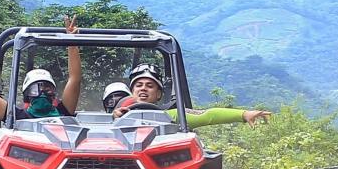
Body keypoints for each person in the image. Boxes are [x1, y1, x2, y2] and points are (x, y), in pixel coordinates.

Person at [0, 16, 83, 119]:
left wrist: (72, 43)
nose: (42, 93)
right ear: (27, 95)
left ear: (53, 93)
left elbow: (75, 78)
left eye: (47, 88)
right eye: (35, 90)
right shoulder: (16, 116)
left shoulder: (64, 112)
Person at [113, 64, 272, 128]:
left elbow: (208, 115)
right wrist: (116, 117)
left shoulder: (171, 115)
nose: (143, 89)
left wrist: (244, 114)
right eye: (139, 85)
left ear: (159, 94)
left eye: (150, 86)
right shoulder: (119, 115)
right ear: (132, 91)